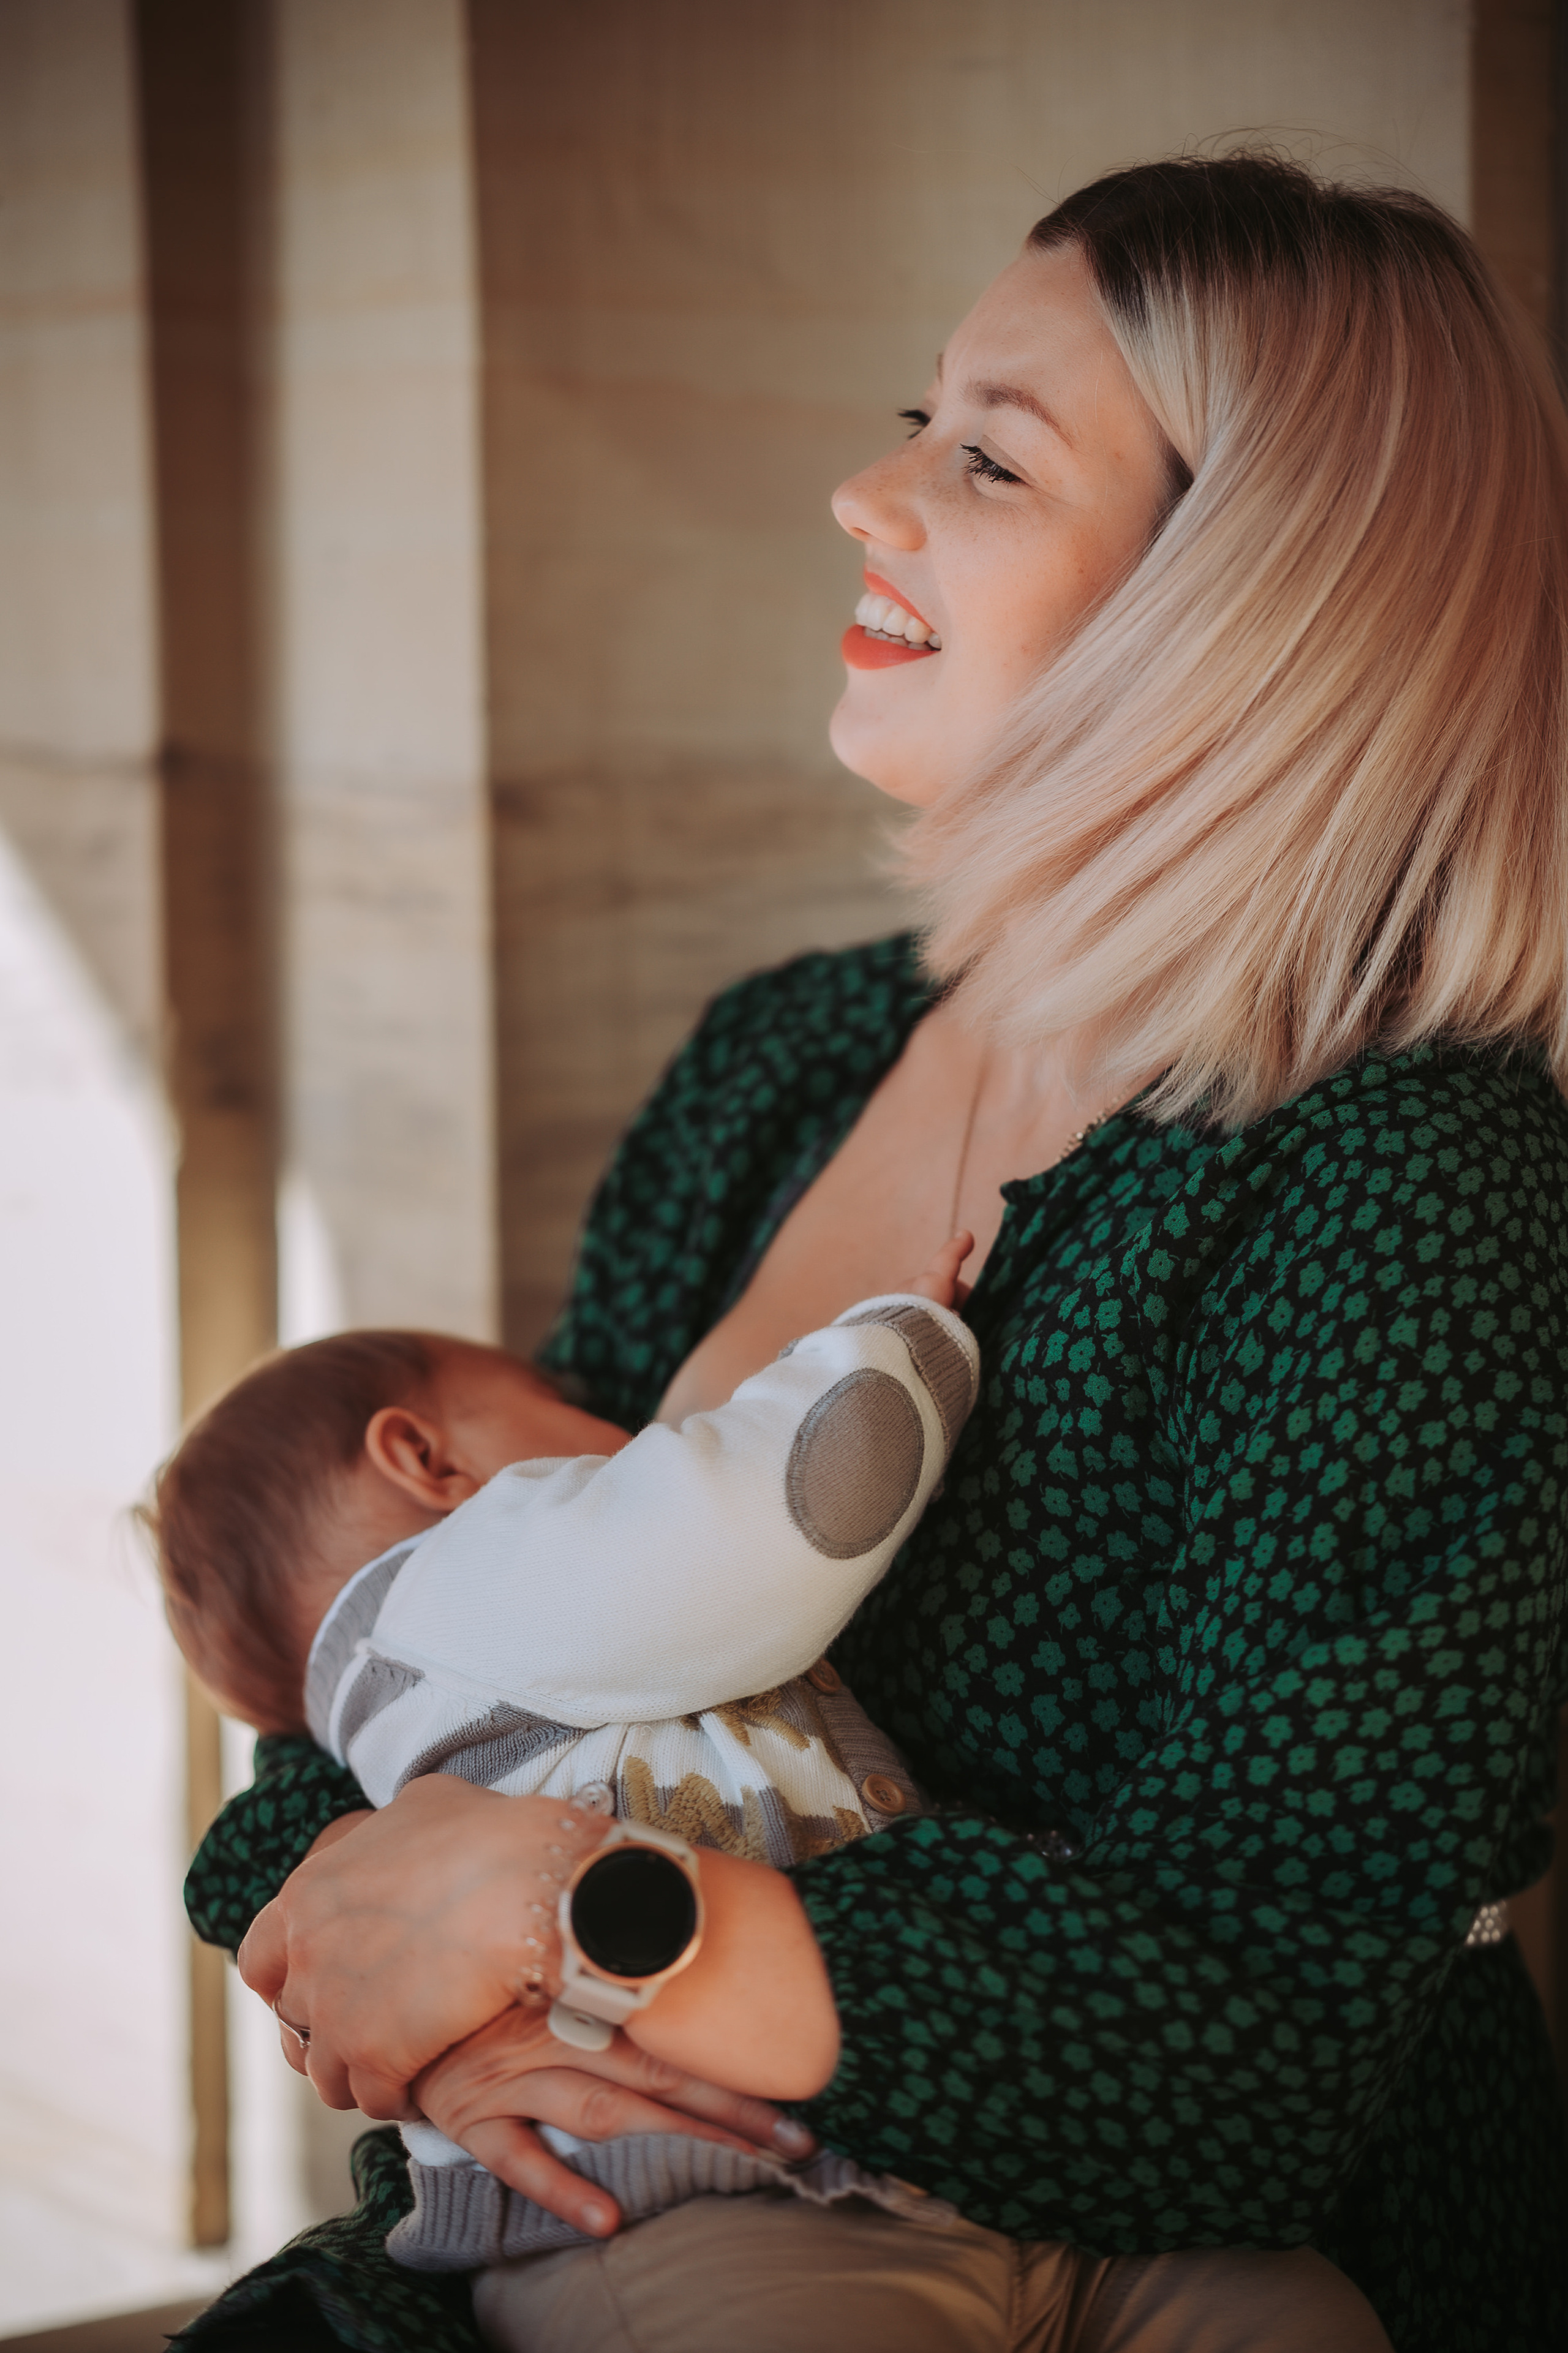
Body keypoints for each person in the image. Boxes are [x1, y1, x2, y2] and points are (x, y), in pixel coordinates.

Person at [173, 155, 1568, 2353]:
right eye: (912, 414)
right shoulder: (782, 1063)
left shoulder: (1406, 1189)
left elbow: (1262, 2046)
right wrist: (432, 2004)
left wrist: (563, 1919)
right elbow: (400, 1650)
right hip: (649, 2211)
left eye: (988, 456)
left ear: (1253, 603)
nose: (864, 492)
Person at [146, 1259, 978, 2270]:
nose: (632, 1437)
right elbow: (780, 1513)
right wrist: (896, 1340)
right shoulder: (470, 1567)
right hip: (680, 2192)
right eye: (560, 1406)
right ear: (422, 1456)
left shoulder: (384, 1717)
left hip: (586, 2181)